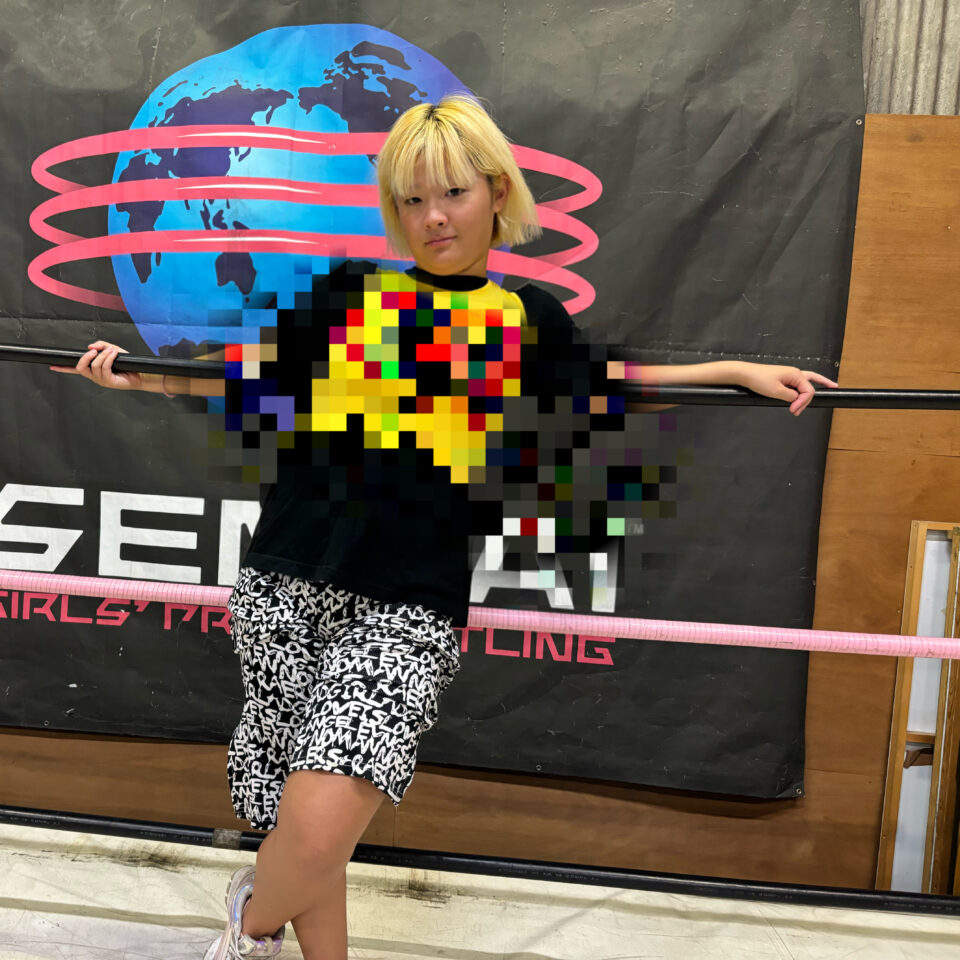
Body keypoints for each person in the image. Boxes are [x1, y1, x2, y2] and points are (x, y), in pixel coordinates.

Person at [52, 95, 836, 960]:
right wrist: (145, 379)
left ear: (496, 191)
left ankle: (249, 925)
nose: (433, 217)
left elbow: (608, 385)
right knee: (308, 826)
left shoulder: (525, 316)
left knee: (320, 820)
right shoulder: (352, 291)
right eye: (413, 200)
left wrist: (732, 370)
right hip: (286, 580)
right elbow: (249, 373)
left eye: (453, 193)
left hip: (409, 602)